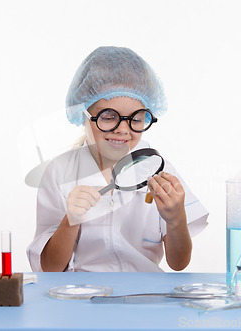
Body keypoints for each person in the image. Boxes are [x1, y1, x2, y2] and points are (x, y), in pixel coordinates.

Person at [27, 46, 208, 272]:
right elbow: (50, 268)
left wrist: (176, 219)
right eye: (108, 116)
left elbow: (179, 263)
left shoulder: (158, 170)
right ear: (82, 114)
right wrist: (70, 220)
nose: (123, 130)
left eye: (137, 118)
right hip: (84, 297)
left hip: (144, 295)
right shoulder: (59, 172)